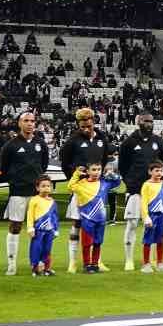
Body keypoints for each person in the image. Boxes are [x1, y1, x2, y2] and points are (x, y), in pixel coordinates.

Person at [60, 107, 115, 273]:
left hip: (96, 189)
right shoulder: (72, 141)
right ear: (78, 123)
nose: (85, 128)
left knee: (98, 224)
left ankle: (97, 261)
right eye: (82, 125)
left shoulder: (101, 138)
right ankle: (73, 261)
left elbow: (104, 159)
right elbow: (65, 163)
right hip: (81, 189)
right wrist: (75, 176)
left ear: (93, 121)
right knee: (77, 223)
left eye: (88, 125)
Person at [0, 110, 50, 276]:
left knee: (39, 229)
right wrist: (15, 181)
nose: (30, 123)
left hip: (37, 194)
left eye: (32, 121)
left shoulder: (40, 143)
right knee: (15, 226)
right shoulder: (11, 145)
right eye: (26, 120)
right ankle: (12, 264)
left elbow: (43, 165)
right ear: (19, 123)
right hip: (18, 193)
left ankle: (37, 264)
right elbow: (4, 169)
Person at [118, 113, 163, 271]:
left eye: (151, 121)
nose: (149, 124)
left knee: (155, 226)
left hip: (154, 192)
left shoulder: (158, 141)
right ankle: (129, 260)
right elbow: (123, 166)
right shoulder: (128, 142)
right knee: (132, 224)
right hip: (135, 191)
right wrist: (131, 182)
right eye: (146, 121)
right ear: (139, 122)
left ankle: (153, 261)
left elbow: (162, 161)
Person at [69, 162, 122, 274]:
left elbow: (118, 182)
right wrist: (77, 173)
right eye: (93, 169)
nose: (96, 172)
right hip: (87, 218)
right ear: (87, 171)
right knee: (87, 243)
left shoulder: (104, 183)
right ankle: (87, 264)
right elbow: (71, 186)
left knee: (98, 242)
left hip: (101, 219)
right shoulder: (81, 183)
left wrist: (112, 174)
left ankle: (95, 263)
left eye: (98, 169)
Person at [139, 160, 163, 273]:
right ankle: (146, 263)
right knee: (148, 240)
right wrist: (146, 217)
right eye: (156, 171)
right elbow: (143, 201)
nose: (159, 173)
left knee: (160, 240)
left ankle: (160, 262)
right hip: (152, 216)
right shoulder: (146, 185)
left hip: (162, 216)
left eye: (161, 171)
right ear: (150, 172)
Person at [26, 176, 61, 277]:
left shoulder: (52, 202)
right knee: (36, 248)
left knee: (47, 249)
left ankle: (47, 268)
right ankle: (35, 268)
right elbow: (30, 214)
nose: (46, 188)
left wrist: (55, 229)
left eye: (48, 186)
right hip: (38, 230)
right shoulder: (34, 200)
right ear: (37, 188)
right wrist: (30, 227)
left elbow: (55, 217)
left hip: (49, 231)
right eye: (43, 186)